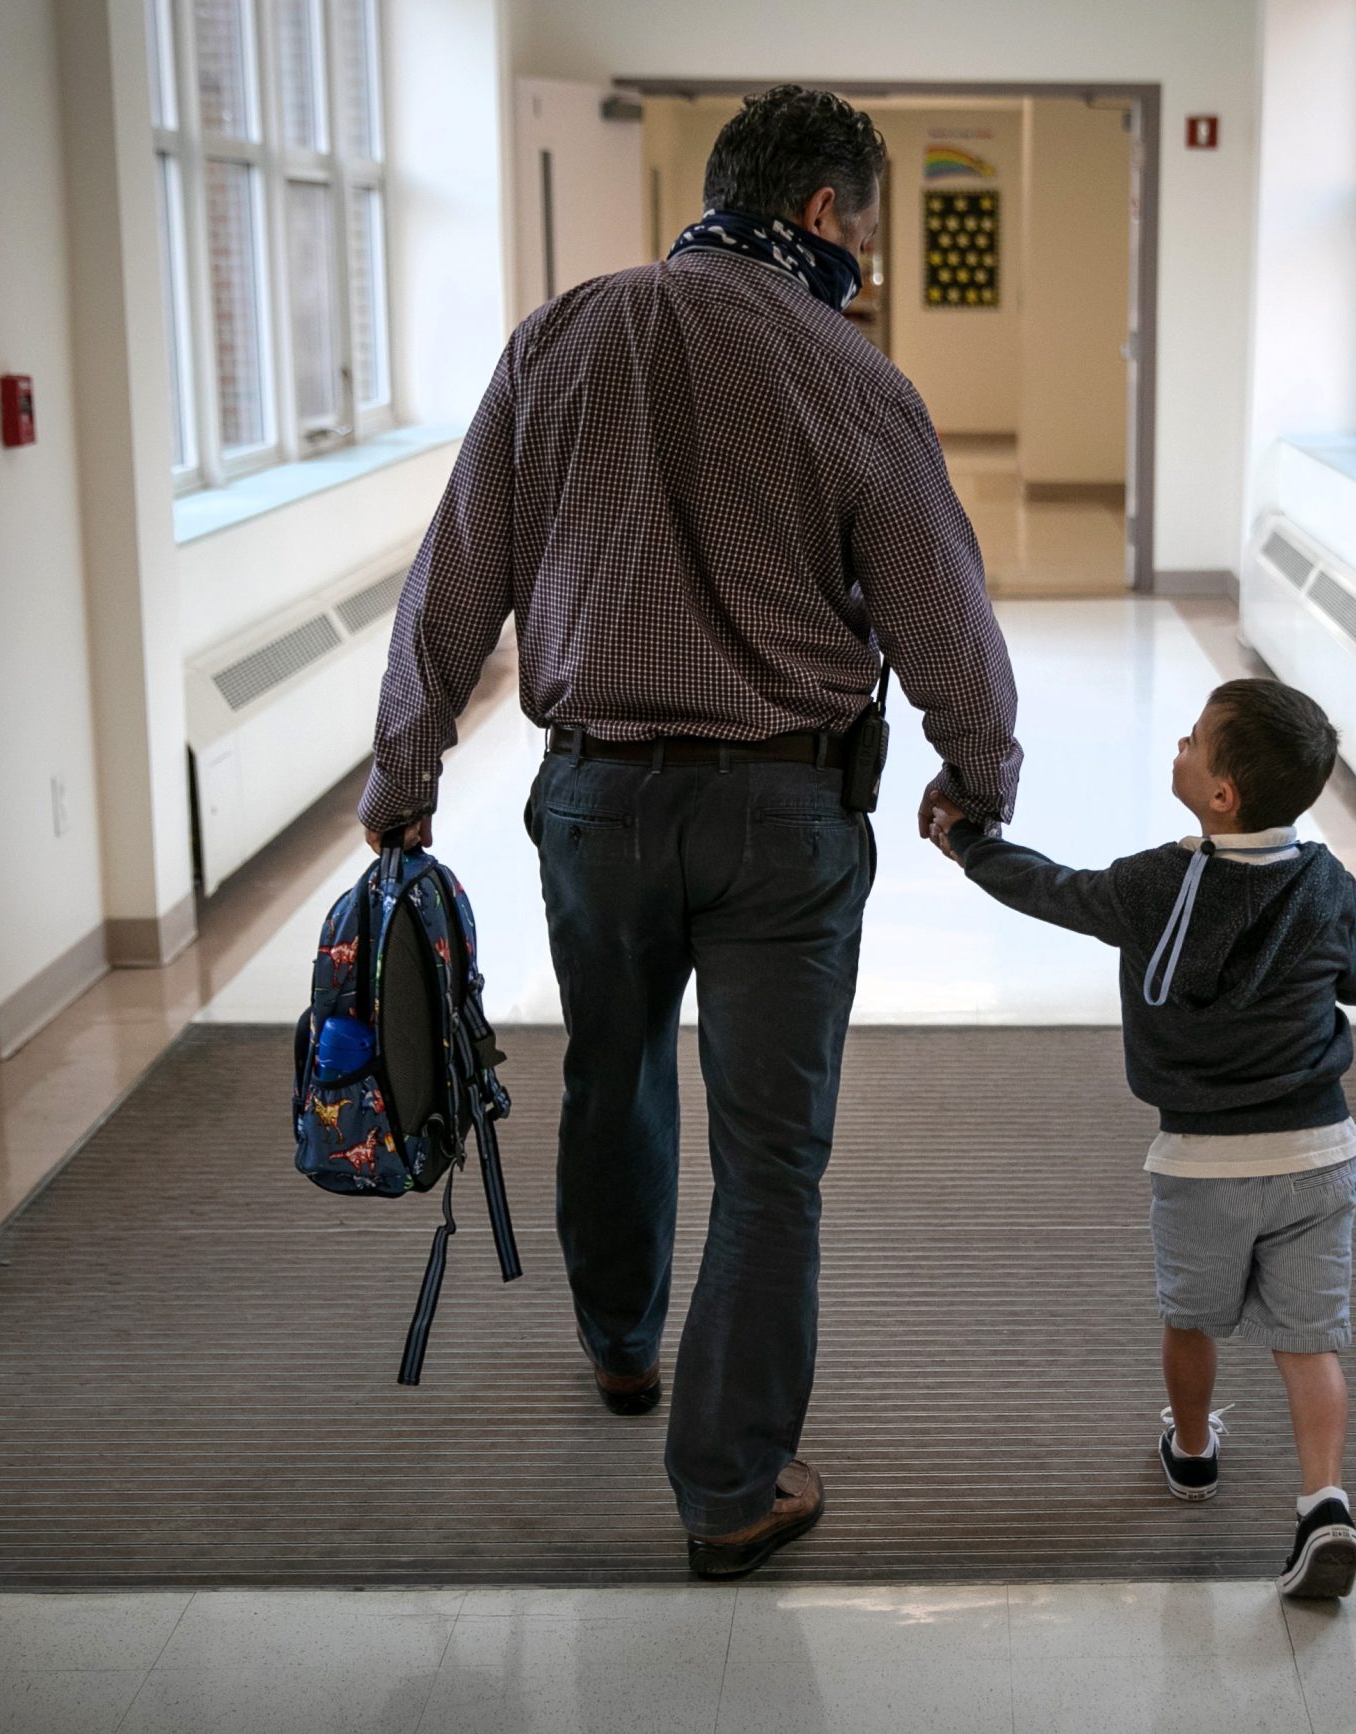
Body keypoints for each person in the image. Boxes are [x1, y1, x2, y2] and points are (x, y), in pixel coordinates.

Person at [360, 85, 1021, 1580]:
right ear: (823, 215)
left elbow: (453, 573)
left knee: (613, 1066)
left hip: (594, 799)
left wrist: (403, 771)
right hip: (788, 812)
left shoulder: (559, 336)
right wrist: (980, 773)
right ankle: (727, 1485)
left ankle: (617, 1343)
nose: (869, 248)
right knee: (773, 1156)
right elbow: (945, 618)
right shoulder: (857, 380)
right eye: (868, 220)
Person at [929, 677, 1356, 1599]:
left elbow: (1049, 889)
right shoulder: (1330, 885)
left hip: (1202, 1161)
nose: (1179, 742)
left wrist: (965, 840)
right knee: (1309, 1341)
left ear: (1222, 797)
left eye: (1195, 740)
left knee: (1191, 1318)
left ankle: (1195, 1448)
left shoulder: (1156, 884)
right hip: (1320, 1155)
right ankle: (1323, 1503)